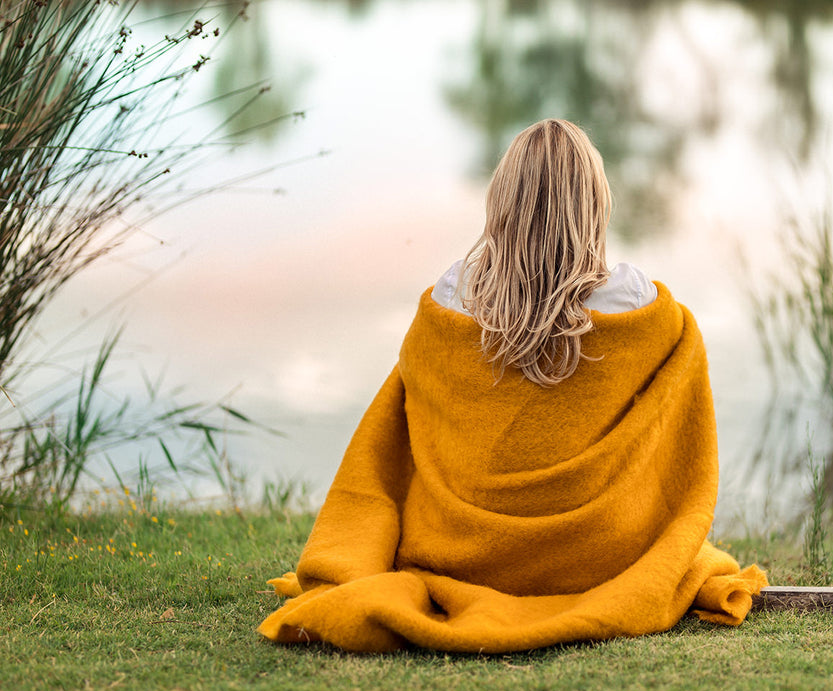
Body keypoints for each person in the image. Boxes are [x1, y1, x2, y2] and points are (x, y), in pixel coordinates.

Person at [258, 119, 766, 653]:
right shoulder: (645, 309)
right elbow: (677, 438)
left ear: (503, 202)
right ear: (594, 206)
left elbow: (402, 433)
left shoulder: (450, 301)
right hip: (599, 555)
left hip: (461, 552)